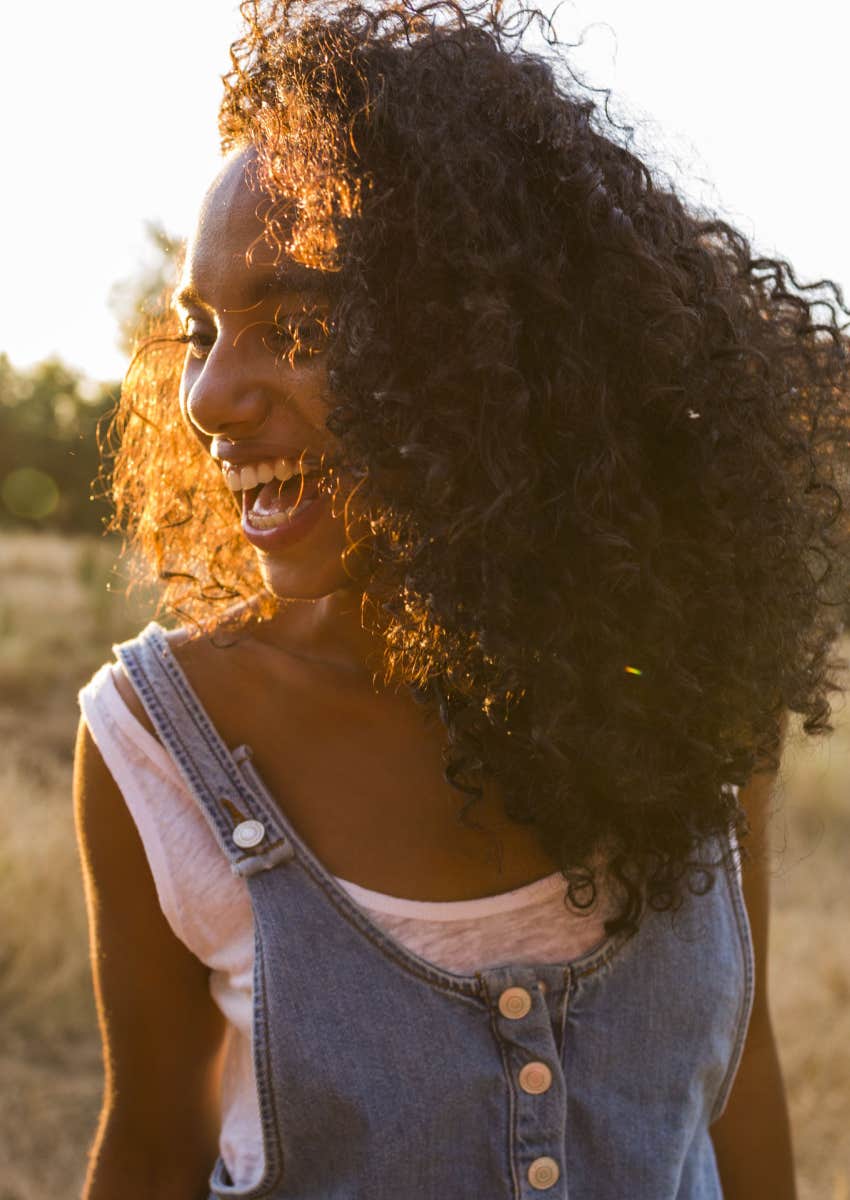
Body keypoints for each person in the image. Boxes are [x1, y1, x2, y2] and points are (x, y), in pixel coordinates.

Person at [73, 1, 850, 1197]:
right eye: (201, 332)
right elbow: (153, 1146)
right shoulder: (163, 742)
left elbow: (732, 1079)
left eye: (297, 325)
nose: (211, 398)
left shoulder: (694, 691)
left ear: (496, 349)